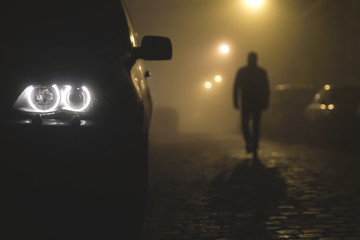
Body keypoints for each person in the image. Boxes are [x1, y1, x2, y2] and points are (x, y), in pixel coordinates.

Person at [233, 52, 270, 160]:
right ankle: (250, 143)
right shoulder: (257, 72)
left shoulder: (252, 72)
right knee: (247, 126)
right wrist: (235, 101)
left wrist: (265, 102)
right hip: (250, 103)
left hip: (253, 103)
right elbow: (236, 88)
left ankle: (253, 145)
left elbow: (266, 89)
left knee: (254, 126)